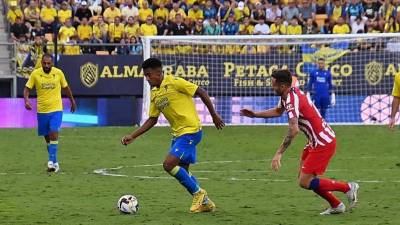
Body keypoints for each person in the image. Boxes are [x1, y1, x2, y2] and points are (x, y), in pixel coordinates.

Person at [240, 69, 359, 215]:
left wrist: (279, 153)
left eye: (273, 84)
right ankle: (336, 205)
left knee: (305, 181)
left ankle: (347, 187)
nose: (272, 86)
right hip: (314, 141)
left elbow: (294, 129)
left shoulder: (291, 100)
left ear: (283, 86)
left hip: (323, 143)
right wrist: (255, 114)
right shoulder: (290, 89)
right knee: (305, 179)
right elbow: (279, 110)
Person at [121, 58, 224, 213]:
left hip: (191, 131)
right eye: (145, 76)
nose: (147, 79)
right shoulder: (155, 93)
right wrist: (133, 135)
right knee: (183, 170)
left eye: (149, 75)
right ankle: (206, 203)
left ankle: (199, 194)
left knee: (168, 165)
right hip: (177, 134)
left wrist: (214, 115)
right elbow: (152, 119)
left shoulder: (175, 82)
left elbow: (201, 92)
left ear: (159, 72)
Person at [23, 54, 77, 173]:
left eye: (49, 63)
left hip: (56, 109)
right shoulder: (35, 74)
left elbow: (66, 88)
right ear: (41, 63)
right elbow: (27, 88)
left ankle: (50, 161)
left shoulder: (58, 73)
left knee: (54, 130)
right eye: (45, 63)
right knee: (48, 139)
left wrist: (72, 101)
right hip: (42, 111)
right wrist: (26, 100)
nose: (47, 65)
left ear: (52, 63)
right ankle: (55, 162)